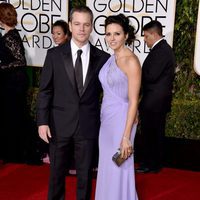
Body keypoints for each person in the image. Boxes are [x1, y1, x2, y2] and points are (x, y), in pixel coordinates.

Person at [36, 6, 110, 200]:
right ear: (70, 25)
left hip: (87, 125)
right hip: (58, 125)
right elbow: (45, 91)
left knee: (85, 176)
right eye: (77, 24)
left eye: (86, 24)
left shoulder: (103, 58)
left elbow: (111, 93)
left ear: (92, 27)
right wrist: (42, 122)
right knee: (56, 176)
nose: (81, 29)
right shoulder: (54, 55)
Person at [95, 14, 141, 200]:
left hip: (123, 120)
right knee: (107, 165)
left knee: (120, 165)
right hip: (107, 120)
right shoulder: (110, 58)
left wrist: (126, 136)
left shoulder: (131, 61)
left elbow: (133, 101)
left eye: (117, 33)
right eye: (108, 34)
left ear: (126, 35)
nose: (112, 38)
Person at [136, 20, 176, 173]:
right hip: (155, 102)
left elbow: (151, 75)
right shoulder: (162, 49)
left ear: (153, 34)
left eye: (146, 36)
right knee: (154, 133)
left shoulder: (162, 50)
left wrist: (135, 74)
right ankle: (153, 164)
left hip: (154, 102)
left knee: (151, 134)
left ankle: (150, 164)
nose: (145, 40)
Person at [0, 2, 29, 163]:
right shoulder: (10, 35)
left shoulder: (11, 36)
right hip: (10, 80)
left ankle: (16, 153)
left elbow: (20, 60)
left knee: (14, 116)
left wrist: (1, 66)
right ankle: (11, 152)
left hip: (14, 82)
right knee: (11, 116)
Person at [42, 19, 71, 164]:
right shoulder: (52, 53)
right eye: (53, 33)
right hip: (56, 104)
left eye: (59, 33)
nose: (55, 36)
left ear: (66, 34)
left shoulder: (73, 52)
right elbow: (45, 87)